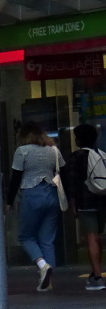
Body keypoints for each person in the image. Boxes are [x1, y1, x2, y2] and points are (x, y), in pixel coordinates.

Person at [5, 121, 65, 291]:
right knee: (47, 240)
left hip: (31, 195)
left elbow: (16, 178)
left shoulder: (22, 151)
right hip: (52, 195)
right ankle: (48, 281)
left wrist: (9, 201)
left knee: (26, 236)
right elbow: (64, 172)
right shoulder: (53, 150)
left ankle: (42, 265)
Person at [65, 123, 106, 291]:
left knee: (91, 238)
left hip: (86, 202)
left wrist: (73, 205)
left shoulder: (76, 157)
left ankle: (97, 277)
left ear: (79, 140)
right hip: (102, 201)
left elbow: (72, 182)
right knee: (97, 238)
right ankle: (95, 272)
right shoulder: (102, 155)